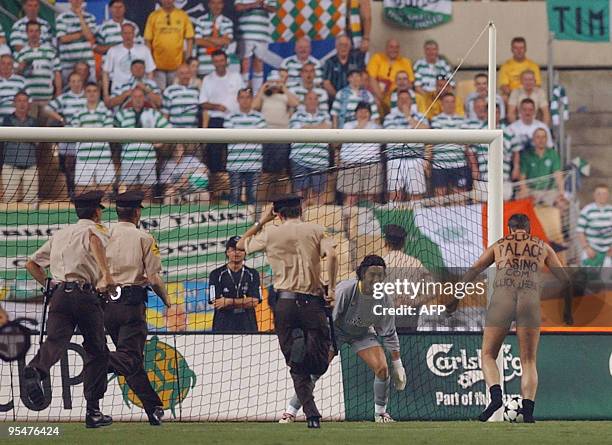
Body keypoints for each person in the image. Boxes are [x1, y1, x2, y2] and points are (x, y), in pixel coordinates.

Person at [446, 214, 570, 423]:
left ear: (510, 229)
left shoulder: (499, 245)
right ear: (529, 229)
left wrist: (456, 299)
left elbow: (473, 271)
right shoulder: (543, 247)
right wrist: (567, 312)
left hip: (502, 298)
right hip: (529, 300)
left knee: (487, 354)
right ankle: (528, 411)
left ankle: (496, 396)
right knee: (528, 360)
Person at [237, 195, 337, 429]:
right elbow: (331, 255)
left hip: (285, 303)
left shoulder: (271, 232)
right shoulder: (315, 229)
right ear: (300, 210)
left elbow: (241, 246)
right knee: (321, 360)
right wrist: (330, 288)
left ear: (278, 214)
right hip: (312, 301)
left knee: (296, 363)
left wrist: (261, 221)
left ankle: (311, 413)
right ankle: (311, 412)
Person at [23, 190, 115, 428]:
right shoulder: (96, 231)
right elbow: (94, 242)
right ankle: (93, 411)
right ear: (96, 212)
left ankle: (36, 369)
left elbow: (31, 264)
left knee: (54, 341)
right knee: (97, 351)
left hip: (60, 295)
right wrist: (105, 274)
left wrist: (48, 286)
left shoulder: (60, 234)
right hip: (85, 295)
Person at [278, 255, 407, 424]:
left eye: (380, 275)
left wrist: (397, 365)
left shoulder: (385, 299)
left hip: (362, 333)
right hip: (334, 331)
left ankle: (381, 413)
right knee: (315, 372)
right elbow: (327, 319)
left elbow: (389, 333)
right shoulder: (346, 290)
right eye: (372, 275)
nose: (376, 279)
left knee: (383, 369)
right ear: (362, 274)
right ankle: (290, 412)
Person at [105, 191, 170, 426]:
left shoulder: (102, 235)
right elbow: (154, 278)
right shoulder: (144, 237)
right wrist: (167, 301)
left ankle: (153, 408)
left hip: (106, 305)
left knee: (130, 360)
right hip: (131, 304)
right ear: (137, 212)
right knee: (129, 357)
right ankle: (97, 361)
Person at [114, 87, 171, 196]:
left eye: (140, 96)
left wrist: (160, 142)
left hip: (148, 159)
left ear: (144, 98)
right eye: (135, 97)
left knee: (147, 193)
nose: (138, 99)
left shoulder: (153, 113)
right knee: (129, 193)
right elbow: (113, 132)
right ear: (131, 98)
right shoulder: (122, 114)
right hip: (128, 160)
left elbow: (168, 128)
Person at [199, 50, 244, 175]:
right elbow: (203, 103)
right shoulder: (208, 79)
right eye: (216, 61)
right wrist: (217, 106)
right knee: (214, 157)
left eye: (221, 60)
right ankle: (217, 185)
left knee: (234, 154)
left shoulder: (236, 77)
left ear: (226, 61)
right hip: (216, 121)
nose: (219, 63)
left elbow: (244, 96)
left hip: (235, 121)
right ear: (213, 63)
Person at [45, 71, 87, 198]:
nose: (76, 84)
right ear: (69, 83)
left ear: (82, 82)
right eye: (73, 81)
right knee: (68, 167)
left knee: (80, 167)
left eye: (78, 81)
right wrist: (61, 119)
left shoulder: (88, 96)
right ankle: (71, 193)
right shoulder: (64, 98)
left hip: (84, 139)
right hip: (68, 138)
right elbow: (47, 109)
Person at [208, 236, 261, 332]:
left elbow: (254, 302)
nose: (237, 252)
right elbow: (217, 303)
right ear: (227, 252)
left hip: (248, 325)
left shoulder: (253, 273)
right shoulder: (216, 274)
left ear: (245, 253)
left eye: (240, 250)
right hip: (223, 325)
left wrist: (228, 302)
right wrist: (244, 302)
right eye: (233, 249)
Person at [383, 90, 428, 201]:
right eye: (401, 99)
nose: (404, 101)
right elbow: (391, 137)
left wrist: (408, 117)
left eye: (406, 99)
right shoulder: (389, 118)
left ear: (411, 101)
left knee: (416, 196)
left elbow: (427, 131)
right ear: (397, 101)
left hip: (415, 159)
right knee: (395, 196)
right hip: (395, 160)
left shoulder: (420, 116)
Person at [224, 88, 267, 205]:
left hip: (254, 164)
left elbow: (261, 136)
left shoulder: (260, 117)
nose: (245, 100)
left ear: (252, 99)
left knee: (252, 198)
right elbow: (230, 136)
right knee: (235, 197)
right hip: (235, 164)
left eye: (248, 97)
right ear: (237, 99)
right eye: (242, 97)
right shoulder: (230, 117)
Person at [289, 91, 332, 206]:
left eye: (314, 99)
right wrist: (318, 127)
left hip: (320, 160)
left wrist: (306, 126)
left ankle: (318, 220)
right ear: (305, 101)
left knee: (319, 192)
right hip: (299, 158)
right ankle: (299, 218)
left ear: (318, 101)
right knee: (300, 192)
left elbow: (328, 129)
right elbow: (296, 132)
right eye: (309, 98)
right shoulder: (296, 115)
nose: (312, 101)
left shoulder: (325, 115)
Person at [71, 83, 115, 194]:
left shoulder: (106, 112)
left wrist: (84, 129)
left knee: (106, 194)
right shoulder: (78, 113)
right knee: (81, 194)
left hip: (103, 159)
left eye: (94, 91)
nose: (92, 93)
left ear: (98, 93)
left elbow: (108, 133)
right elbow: (75, 133)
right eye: (89, 91)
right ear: (85, 93)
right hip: (83, 159)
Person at [428, 92, 475, 197]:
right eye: (447, 102)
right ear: (442, 104)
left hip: (459, 164)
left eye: (452, 101)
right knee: (440, 196)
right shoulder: (435, 120)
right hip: (439, 165)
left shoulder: (462, 120)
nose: (450, 104)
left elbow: (466, 143)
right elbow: (434, 141)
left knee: (460, 196)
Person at [337, 102, 382, 206]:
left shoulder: (376, 127)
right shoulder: (347, 126)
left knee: (369, 198)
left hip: (371, 164)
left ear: (370, 114)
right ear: (355, 113)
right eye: (360, 111)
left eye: (366, 111)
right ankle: (347, 221)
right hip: (350, 164)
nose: (363, 113)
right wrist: (361, 125)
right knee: (350, 197)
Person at [144, 0, 194, 90]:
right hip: (157, 66)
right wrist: (150, 62)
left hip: (177, 65)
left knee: (176, 91)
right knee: (158, 93)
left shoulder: (182, 15)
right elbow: (148, 40)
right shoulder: (153, 16)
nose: (167, 1)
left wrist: (187, 60)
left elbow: (189, 38)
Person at [14, 21, 62, 115]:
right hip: (29, 101)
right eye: (31, 31)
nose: (34, 34)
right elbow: (16, 75)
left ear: (40, 33)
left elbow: (57, 74)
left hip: (47, 99)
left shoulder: (50, 51)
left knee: (46, 129)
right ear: (27, 33)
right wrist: (20, 68)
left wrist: (58, 96)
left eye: (36, 31)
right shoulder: (22, 53)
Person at [1, 91, 39, 206]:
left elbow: (36, 141)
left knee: (32, 203)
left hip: (31, 167)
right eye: (19, 101)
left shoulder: (34, 122)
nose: (22, 104)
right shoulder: (7, 121)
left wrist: (18, 138)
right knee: (9, 202)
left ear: (29, 104)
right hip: (10, 166)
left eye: (25, 101)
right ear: (14, 103)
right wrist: (27, 138)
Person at [102, 23, 155, 101]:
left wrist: (147, 88)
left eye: (130, 33)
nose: (128, 36)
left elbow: (150, 72)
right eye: (125, 33)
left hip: (139, 91)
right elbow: (105, 73)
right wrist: (106, 94)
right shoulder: (113, 51)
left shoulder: (144, 50)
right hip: (119, 91)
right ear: (121, 35)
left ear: (134, 34)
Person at [518, 128, 567, 210]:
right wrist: (524, 190)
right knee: (520, 197)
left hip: (549, 191)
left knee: (562, 203)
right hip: (532, 190)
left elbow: (558, 175)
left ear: (547, 139)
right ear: (533, 140)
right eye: (538, 137)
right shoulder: (526, 155)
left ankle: (556, 223)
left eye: (543, 137)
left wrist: (561, 192)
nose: (541, 140)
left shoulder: (553, 154)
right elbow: (522, 177)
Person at [235, 0, 277, 93]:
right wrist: (253, 4)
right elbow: (237, 7)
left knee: (259, 63)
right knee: (245, 63)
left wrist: (264, 6)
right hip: (245, 33)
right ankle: (243, 92)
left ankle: (256, 94)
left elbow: (273, 9)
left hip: (262, 33)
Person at [367, 38, 414, 113]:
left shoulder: (405, 62)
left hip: (396, 95)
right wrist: (381, 98)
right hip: (377, 94)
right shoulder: (377, 58)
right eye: (391, 47)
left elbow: (410, 83)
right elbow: (371, 79)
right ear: (386, 48)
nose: (394, 50)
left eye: (396, 47)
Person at [56, 0, 97, 82]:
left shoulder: (90, 17)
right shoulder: (62, 18)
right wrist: (82, 33)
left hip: (87, 63)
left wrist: (80, 16)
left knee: (89, 89)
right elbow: (63, 39)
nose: (77, 1)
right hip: (68, 62)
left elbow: (89, 37)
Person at [194, 0, 235, 78]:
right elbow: (198, 41)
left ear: (223, 5)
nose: (216, 6)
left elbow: (227, 41)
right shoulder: (200, 20)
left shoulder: (228, 22)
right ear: (209, 5)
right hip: (203, 67)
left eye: (219, 3)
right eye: (213, 3)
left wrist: (206, 38)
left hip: (222, 68)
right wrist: (219, 43)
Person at [322, 34, 365, 104]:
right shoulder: (329, 62)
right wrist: (339, 98)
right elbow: (326, 83)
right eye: (341, 45)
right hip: (335, 100)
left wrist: (355, 96)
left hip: (355, 98)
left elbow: (363, 79)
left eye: (346, 45)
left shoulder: (356, 60)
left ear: (350, 46)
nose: (343, 48)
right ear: (336, 46)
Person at [577, 184, 612, 267]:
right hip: (591, 250)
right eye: (598, 193)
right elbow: (580, 231)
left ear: (608, 195)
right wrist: (587, 248)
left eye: (604, 193)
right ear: (594, 195)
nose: (601, 196)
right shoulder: (587, 210)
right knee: (589, 277)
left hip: (608, 251)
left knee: (606, 278)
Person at [161, 63, 200, 128]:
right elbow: (165, 114)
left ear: (191, 74)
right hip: (175, 132)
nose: (185, 76)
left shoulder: (196, 91)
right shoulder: (169, 91)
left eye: (187, 73)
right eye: (182, 73)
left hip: (193, 132)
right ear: (177, 75)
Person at [0, 54, 26, 120]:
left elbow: (29, 102)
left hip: (18, 120)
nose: (6, 66)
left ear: (13, 66)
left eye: (9, 64)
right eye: (3, 63)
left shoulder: (21, 81)